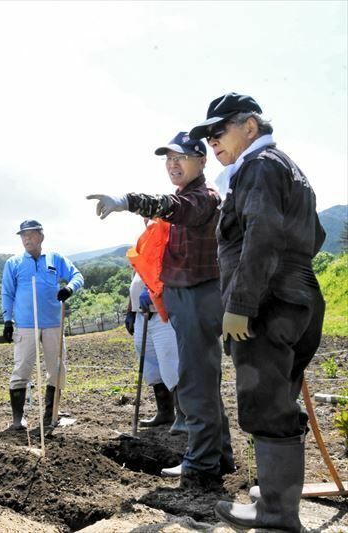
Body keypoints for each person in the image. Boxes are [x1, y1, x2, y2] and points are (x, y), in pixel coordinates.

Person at [188, 93, 326, 532]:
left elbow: (261, 234)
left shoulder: (258, 166)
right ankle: (274, 497)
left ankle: (275, 515)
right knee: (280, 400)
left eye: (218, 131)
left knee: (266, 405)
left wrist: (241, 305)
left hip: (268, 304)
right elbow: (315, 234)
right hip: (300, 296)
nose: (212, 141)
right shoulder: (289, 168)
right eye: (207, 135)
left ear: (249, 126)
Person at [87, 131, 234, 489]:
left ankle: (200, 466)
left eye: (180, 157)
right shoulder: (190, 196)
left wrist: (127, 200)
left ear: (201, 161)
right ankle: (221, 456)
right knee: (203, 381)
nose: (172, 164)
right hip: (186, 296)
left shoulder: (202, 197)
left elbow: (173, 207)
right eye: (168, 159)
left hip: (198, 297)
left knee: (196, 382)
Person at [1, 219, 84, 432]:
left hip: (53, 324)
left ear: (41, 236)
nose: (26, 238)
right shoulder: (13, 263)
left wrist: (70, 289)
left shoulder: (55, 259)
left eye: (30, 234)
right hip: (26, 326)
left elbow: (77, 276)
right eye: (23, 235)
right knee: (21, 369)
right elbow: (7, 293)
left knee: (57, 368)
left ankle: (50, 417)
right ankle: (18, 420)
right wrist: (7, 320)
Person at [126, 272, 186, 434]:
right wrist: (130, 311)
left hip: (162, 313)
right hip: (142, 315)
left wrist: (152, 289)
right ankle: (165, 412)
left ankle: (184, 416)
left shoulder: (165, 248)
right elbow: (135, 283)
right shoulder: (141, 252)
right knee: (150, 365)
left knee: (170, 362)